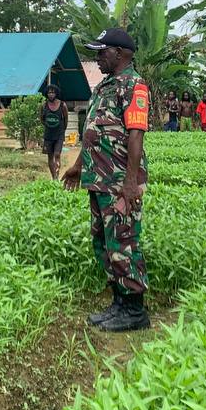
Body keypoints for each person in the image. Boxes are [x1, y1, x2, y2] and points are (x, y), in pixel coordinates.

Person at [61, 27, 151, 332]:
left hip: (118, 181)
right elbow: (93, 131)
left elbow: (136, 133)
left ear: (120, 53)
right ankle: (119, 302)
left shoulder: (133, 85)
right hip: (98, 178)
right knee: (104, 241)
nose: (98, 57)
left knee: (124, 241)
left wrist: (130, 182)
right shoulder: (105, 86)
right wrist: (76, 166)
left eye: (102, 52)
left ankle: (135, 310)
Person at [41, 85, 69, 181]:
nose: (51, 94)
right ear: (46, 94)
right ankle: (54, 178)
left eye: (53, 92)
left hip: (59, 135)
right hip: (48, 135)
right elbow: (42, 119)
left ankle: (57, 176)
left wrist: (62, 131)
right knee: (50, 157)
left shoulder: (62, 105)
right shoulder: (44, 105)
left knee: (57, 154)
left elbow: (66, 120)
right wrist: (49, 126)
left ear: (56, 93)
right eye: (49, 92)